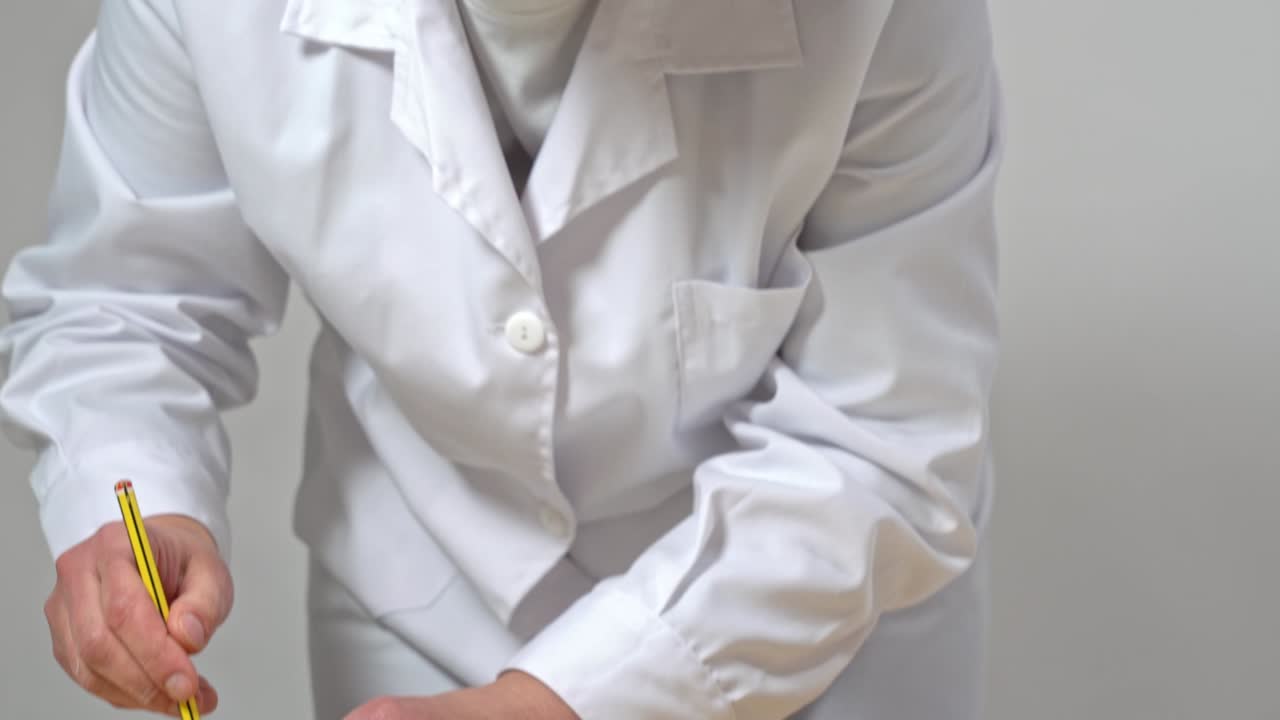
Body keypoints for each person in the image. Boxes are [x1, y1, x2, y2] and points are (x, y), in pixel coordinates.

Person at [0, 0, 1004, 717]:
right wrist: (125, 504)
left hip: (802, 634)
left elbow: (879, 438)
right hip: (423, 608)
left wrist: (560, 701)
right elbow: (122, 301)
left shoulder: (879, 12)